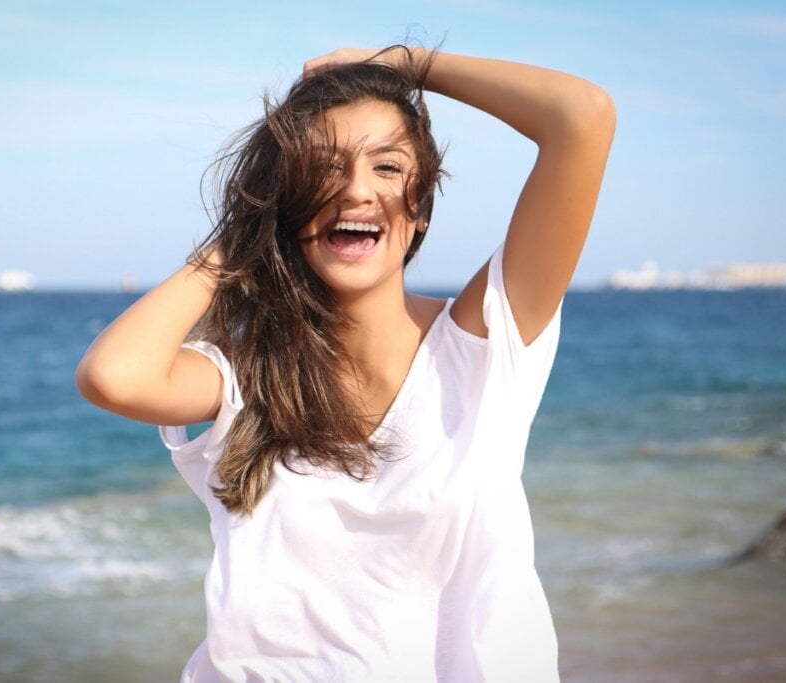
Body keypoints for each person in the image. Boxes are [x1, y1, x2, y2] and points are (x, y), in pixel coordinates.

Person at [77, 45, 615, 682]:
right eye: (322, 171)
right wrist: (250, 225)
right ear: (286, 205)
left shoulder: (485, 345)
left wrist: (405, 63)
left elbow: (581, 117)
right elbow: (113, 376)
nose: (357, 190)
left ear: (418, 210)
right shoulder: (247, 377)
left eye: (387, 167)